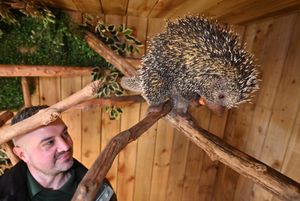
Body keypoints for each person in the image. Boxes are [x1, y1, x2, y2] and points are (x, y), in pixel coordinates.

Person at [0, 105, 117, 201]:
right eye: (49, 142)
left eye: (65, 134)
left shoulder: (100, 190)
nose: (65, 146)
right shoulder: (3, 192)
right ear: (22, 154)